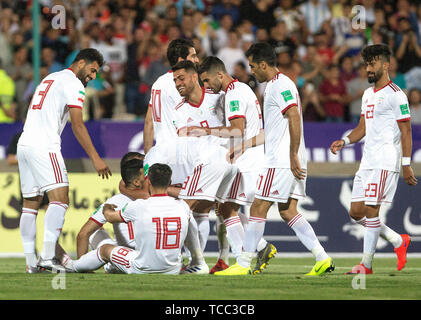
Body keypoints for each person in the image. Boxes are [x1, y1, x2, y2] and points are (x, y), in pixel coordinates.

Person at [215, 42, 334, 276]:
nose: (251, 71)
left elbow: (294, 116)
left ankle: (244, 262)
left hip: (281, 159)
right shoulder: (273, 87)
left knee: (258, 207)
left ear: (263, 64)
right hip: (288, 156)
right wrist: (243, 146)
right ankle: (323, 258)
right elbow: (272, 130)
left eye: (253, 66)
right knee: (288, 210)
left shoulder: (281, 85)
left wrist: (291, 155)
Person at [17, 48, 112, 273]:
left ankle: (31, 263)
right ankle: (48, 258)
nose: (93, 77)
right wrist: (96, 158)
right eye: (92, 70)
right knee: (60, 198)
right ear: (79, 63)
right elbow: (77, 124)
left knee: (30, 205)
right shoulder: (74, 84)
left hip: (25, 143)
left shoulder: (50, 78)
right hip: (44, 145)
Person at [330, 44, 417, 274]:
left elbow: (406, 131)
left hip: (385, 160)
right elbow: (362, 127)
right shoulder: (368, 94)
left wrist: (406, 164)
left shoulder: (396, 95)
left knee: (371, 210)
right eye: (367, 64)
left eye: (373, 63)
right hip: (367, 161)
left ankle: (365, 265)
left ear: (386, 65)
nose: (368, 68)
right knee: (356, 213)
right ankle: (398, 240)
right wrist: (346, 141)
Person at [195, 56, 276, 274]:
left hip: (245, 162)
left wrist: (206, 131)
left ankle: (244, 259)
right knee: (224, 207)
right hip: (250, 158)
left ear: (219, 74)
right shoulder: (240, 90)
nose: (207, 87)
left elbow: (237, 130)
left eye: (207, 81)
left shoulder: (234, 95)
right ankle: (258, 247)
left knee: (226, 208)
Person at [71, 163, 190, 275]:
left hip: (142, 267)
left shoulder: (139, 205)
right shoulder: (183, 206)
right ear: (169, 182)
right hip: (173, 269)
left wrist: (107, 207)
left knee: (105, 249)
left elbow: (109, 217)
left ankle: (72, 266)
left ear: (149, 183)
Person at [76, 153, 147, 260]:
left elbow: (83, 234)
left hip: (122, 258)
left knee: (93, 231)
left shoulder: (115, 201)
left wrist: (81, 265)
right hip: (150, 257)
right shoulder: (156, 198)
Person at [143, 38, 200, 154]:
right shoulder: (186, 83)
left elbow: (149, 122)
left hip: (162, 152)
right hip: (182, 153)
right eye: (193, 56)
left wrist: (148, 157)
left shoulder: (158, 83)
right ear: (181, 60)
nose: (197, 60)